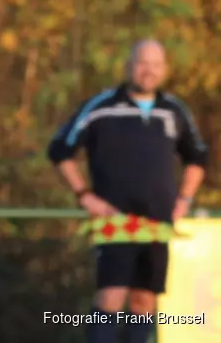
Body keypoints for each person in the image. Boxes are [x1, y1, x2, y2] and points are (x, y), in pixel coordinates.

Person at [47, 39, 207, 343]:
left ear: (165, 70)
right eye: (143, 63)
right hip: (114, 221)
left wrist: (184, 198)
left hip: (158, 223)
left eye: (156, 65)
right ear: (130, 66)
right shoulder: (101, 107)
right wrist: (84, 195)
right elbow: (60, 150)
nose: (149, 71)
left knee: (145, 301)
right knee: (111, 296)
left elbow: (197, 158)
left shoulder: (173, 111)